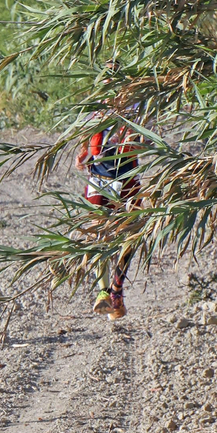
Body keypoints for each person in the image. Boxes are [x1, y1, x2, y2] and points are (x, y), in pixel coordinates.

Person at [75, 114, 140, 320]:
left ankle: (115, 290)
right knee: (97, 234)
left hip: (126, 178)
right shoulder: (98, 107)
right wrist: (83, 151)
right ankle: (105, 292)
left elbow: (146, 138)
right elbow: (87, 128)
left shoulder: (136, 106)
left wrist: (135, 136)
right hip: (99, 177)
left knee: (131, 233)